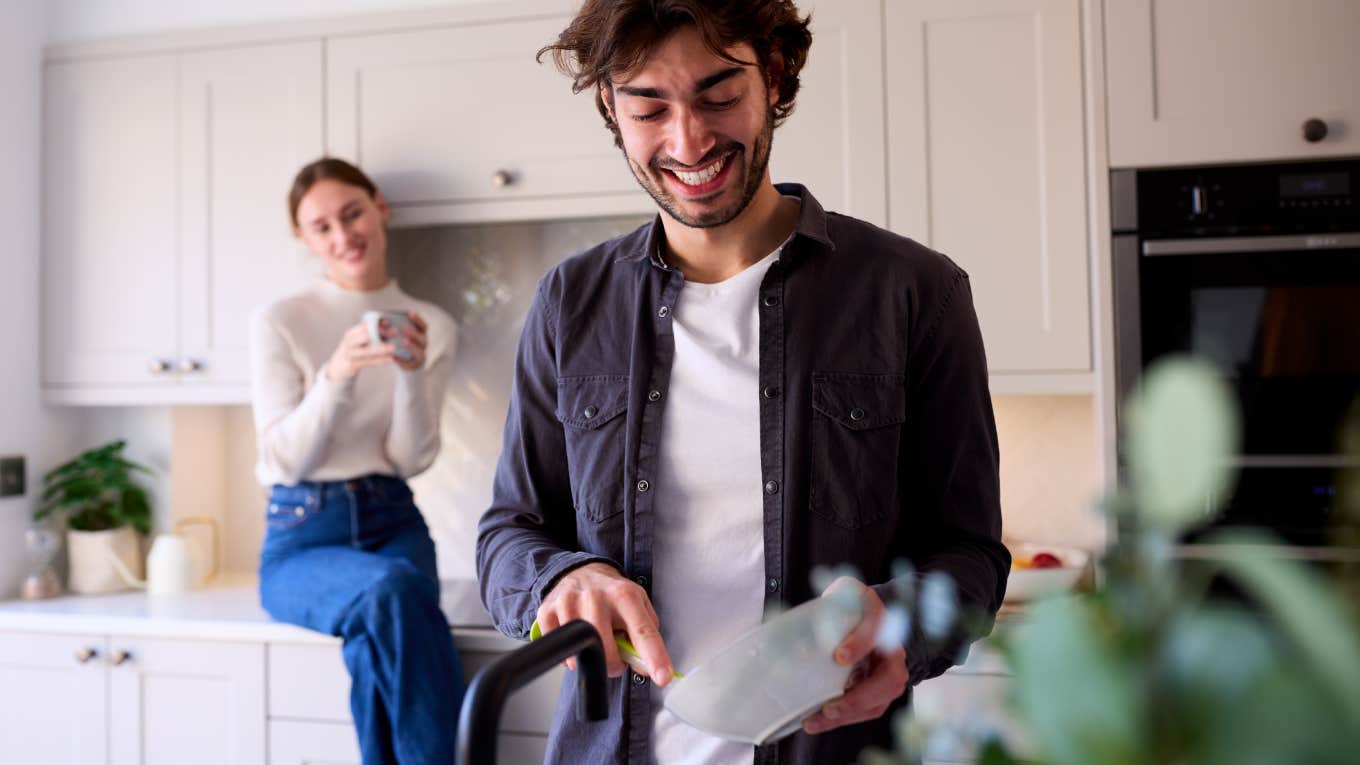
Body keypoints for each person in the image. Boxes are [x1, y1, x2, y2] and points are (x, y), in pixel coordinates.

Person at [477, 1, 1010, 762]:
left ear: (776, 75)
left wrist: (899, 622)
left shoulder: (916, 291)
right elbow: (507, 534)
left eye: (719, 94)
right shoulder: (570, 303)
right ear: (609, 107)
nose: (687, 139)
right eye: (648, 106)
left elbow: (971, 558)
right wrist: (562, 577)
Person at [250, 157, 464, 765]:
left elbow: (410, 458)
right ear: (304, 238)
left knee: (381, 635)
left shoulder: (434, 326)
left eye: (352, 214)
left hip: (394, 519)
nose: (343, 236)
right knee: (392, 595)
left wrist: (410, 374)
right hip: (302, 535)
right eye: (321, 227)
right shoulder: (281, 320)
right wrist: (337, 375)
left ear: (380, 209)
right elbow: (282, 460)